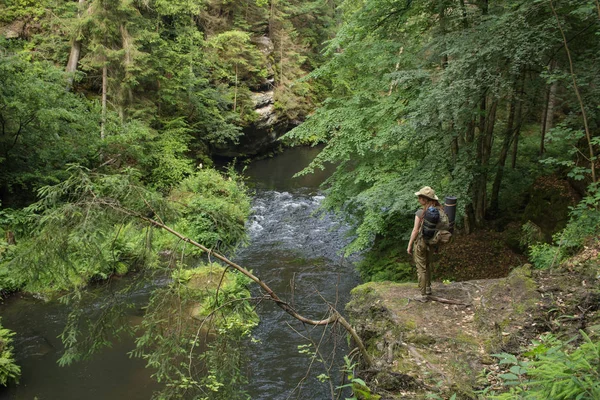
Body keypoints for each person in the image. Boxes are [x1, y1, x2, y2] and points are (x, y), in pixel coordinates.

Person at [407, 186, 442, 300]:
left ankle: (423, 295)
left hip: (421, 243)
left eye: (419, 197)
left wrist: (410, 245)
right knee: (427, 265)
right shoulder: (439, 212)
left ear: (424, 199)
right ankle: (428, 288)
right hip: (432, 243)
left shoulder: (421, 213)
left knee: (421, 268)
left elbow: (415, 230)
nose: (418, 199)